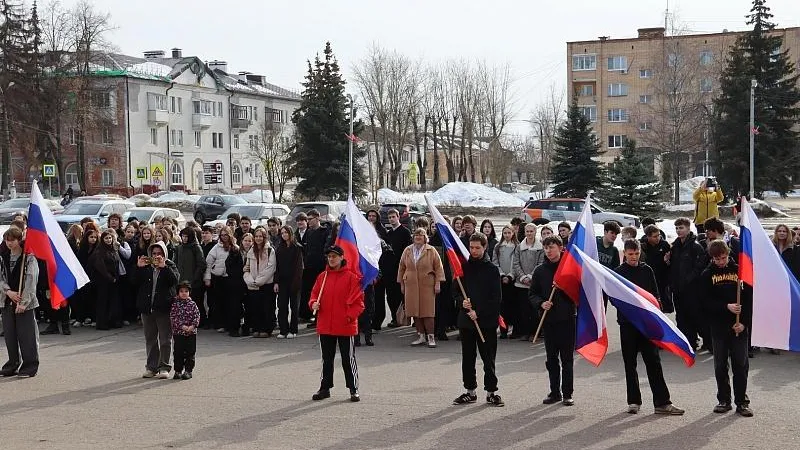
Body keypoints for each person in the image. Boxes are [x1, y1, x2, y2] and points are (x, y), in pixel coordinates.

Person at [614, 239, 684, 415]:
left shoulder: (646, 269)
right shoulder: (618, 273)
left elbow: (655, 294)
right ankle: (634, 401)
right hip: (628, 323)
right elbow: (615, 299)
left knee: (653, 362)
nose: (634, 257)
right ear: (625, 254)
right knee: (630, 364)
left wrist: (657, 309)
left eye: (636, 254)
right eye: (630, 254)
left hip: (647, 324)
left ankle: (662, 402)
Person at [699, 240, 753, 417]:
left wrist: (744, 322)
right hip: (719, 327)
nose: (721, 261)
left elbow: (750, 300)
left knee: (741, 364)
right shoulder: (707, 274)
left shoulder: (740, 271)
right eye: (717, 259)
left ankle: (742, 402)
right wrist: (725, 306)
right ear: (712, 258)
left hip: (739, 327)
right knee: (720, 365)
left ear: (728, 253)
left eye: (724, 257)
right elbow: (704, 303)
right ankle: (724, 400)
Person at [452, 232, 504, 407]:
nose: (474, 251)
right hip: (466, 321)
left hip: (486, 322)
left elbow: (495, 298)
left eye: (477, 248)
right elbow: (456, 292)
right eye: (471, 247)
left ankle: (491, 391)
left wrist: (479, 313)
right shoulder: (463, 268)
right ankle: (470, 391)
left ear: (484, 247)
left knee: (488, 358)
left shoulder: (492, 270)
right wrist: (462, 302)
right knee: (468, 357)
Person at [309, 245, 365, 403]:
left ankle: (353, 389)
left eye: (334, 256)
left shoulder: (352, 278)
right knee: (327, 358)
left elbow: (359, 303)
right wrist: (313, 303)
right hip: (326, 324)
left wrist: (349, 317)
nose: (331, 259)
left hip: (345, 325)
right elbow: (314, 295)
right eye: (329, 256)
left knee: (348, 359)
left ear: (341, 257)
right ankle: (324, 388)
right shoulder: (322, 276)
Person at [529, 236, 575, 406]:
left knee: (567, 359)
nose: (548, 251)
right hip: (548, 320)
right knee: (551, 359)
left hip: (567, 319)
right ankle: (554, 392)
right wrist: (541, 303)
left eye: (552, 247)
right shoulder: (540, 270)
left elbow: (577, 293)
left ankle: (568, 393)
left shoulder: (568, 269)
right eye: (546, 247)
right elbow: (532, 294)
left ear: (561, 248)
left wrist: (564, 289)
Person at [133, 241, 178, 379]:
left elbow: (174, 280)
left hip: (163, 308)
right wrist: (139, 268)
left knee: (165, 339)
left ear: (164, 254)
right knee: (150, 339)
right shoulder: (146, 267)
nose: (156, 256)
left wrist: (164, 268)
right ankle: (151, 367)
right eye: (154, 254)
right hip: (147, 308)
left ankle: (164, 366)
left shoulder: (170, 265)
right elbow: (133, 282)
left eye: (159, 253)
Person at [0, 227, 40, 377]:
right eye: (7, 240)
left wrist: (24, 302)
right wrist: (8, 291)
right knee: (10, 335)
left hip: (25, 302)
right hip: (6, 300)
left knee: (27, 335)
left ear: (19, 240)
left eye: (12, 240)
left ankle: (30, 366)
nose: (9, 243)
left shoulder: (28, 257)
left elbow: (31, 280)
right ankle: (12, 363)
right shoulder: (2, 257)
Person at [398, 228, 445, 348]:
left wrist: (438, 283)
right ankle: (421, 336)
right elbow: (401, 267)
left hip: (427, 285)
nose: (418, 237)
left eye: (421, 235)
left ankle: (431, 337)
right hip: (411, 285)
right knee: (415, 312)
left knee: (428, 312)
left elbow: (438, 267)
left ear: (425, 238)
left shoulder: (431, 250)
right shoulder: (407, 250)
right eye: (416, 235)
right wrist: (402, 284)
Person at [669, 217, 707, 352]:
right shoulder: (675, 246)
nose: (679, 231)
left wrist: (688, 281)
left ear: (688, 228)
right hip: (678, 289)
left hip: (691, 289)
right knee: (681, 317)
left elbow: (699, 268)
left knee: (695, 316)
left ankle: (706, 341)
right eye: (677, 228)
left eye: (681, 228)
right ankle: (686, 342)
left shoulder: (695, 247)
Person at [511, 223, 544, 340]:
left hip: (534, 284)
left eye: (531, 231)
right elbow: (515, 263)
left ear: (535, 232)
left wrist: (530, 277)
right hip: (521, 284)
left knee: (534, 310)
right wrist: (522, 277)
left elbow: (540, 263)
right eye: (527, 231)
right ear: (524, 232)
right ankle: (525, 332)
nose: (529, 233)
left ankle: (535, 333)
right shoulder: (520, 247)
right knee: (524, 310)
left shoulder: (540, 247)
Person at [299, 209, 330, 328]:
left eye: (310, 219)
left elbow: (326, 249)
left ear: (318, 218)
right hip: (309, 268)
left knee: (322, 294)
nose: (308, 222)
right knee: (311, 293)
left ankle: (320, 318)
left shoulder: (324, 232)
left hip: (320, 268)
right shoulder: (309, 233)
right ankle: (313, 316)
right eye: (307, 219)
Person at [244, 228, 277, 338]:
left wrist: (259, 281)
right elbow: (246, 268)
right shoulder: (251, 251)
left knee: (267, 307)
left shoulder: (270, 250)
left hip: (266, 284)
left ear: (264, 237)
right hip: (253, 285)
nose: (258, 238)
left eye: (260, 236)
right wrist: (250, 280)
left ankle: (266, 329)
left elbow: (270, 268)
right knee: (256, 307)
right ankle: (257, 328)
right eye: (256, 236)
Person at [384, 209, 412, 327]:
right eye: (389, 218)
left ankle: (403, 318)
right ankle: (395, 318)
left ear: (398, 217)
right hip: (390, 269)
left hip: (402, 268)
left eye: (393, 217)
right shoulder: (389, 234)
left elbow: (408, 251)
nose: (391, 219)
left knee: (401, 295)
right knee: (390, 295)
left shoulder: (405, 232)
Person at [204, 226, 234, 332]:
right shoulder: (216, 247)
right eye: (222, 235)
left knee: (229, 302)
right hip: (217, 277)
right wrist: (207, 278)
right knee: (218, 302)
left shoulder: (234, 247)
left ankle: (228, 323)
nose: (224, 237)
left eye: (226, 235)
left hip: (229, 278)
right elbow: (208, 264)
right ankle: (220, 323)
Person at [174, 227, 206, 327]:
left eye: (187, 236)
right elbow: (175, 263)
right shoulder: (179, 248)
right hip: (181, 280)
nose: (184, 239)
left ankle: (200, 322)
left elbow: (201, 264)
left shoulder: (196, 248)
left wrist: (194, 278)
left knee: (196, 303)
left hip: (194, 281)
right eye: (183, 236)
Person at [275, 225, 303, 339]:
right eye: (282, 233)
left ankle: (293, 330)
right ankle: (283, 330)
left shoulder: (297, 247)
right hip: (282, 281)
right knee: (282, 306)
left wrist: (296, 282)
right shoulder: (279, 248)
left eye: (286, 232)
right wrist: (276, 281)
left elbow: (299, 267)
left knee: (294, 307)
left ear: (290, 233)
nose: (284, 235)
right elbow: (276, 266)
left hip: (294, 281)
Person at [90, 229, 122, 330]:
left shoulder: (112, 249)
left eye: (110, 238)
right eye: (106, 238)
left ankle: (112, 321)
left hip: (113, 281)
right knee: (103, 302)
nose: (108, 240)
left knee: (113, 301)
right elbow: (101, 267)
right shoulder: (99, 251)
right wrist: (110, 278)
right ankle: (102, 323)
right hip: (103, 281)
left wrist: (115, 278)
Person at [170, 281, 200, 380]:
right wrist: (182, 326)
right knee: (178, 352)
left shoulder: (192, 304)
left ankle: (188, 371)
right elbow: (173, 317)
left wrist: (192, 326)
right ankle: (178, 371)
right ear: (178, 292)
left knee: (190, 352)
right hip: (178, 333)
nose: (184, 293)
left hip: (191, 333)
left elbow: (197, 316)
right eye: (181, 291)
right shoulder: (175, 304)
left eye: (186, 291)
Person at [492, 225, 518, 339]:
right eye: (505, 233)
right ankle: (503, 329)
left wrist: (511, 275)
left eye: (509, 233)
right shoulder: (498, 247)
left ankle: (514, 330)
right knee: (502, 306)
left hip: (513, 280)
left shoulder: (517, 246)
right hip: (501, 280)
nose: (507, 235)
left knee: (513, 306)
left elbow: (517, 262)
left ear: (513, 233)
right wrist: (502, 274)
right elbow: (495, 262)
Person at [641, 224, 673, 313]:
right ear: (648, 237)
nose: (658, 238)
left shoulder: (664, 245)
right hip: (649, 279)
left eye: (659, 235)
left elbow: (671, 264)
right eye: (655, 236)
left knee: (664, 307)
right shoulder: (643, 246)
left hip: (662, 279)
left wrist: (667, 261)